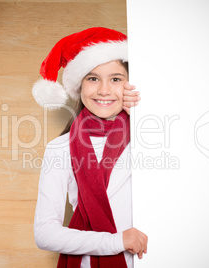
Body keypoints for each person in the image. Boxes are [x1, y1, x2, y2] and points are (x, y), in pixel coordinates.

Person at [32, 27, 147, 268]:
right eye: (93, 78)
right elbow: (44, 232)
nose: (104, 90)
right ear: (79, 87)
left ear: (129, 85)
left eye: (116, 79)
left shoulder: (147, 136)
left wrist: (145, 111)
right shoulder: (60, 148)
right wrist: (116, 241)